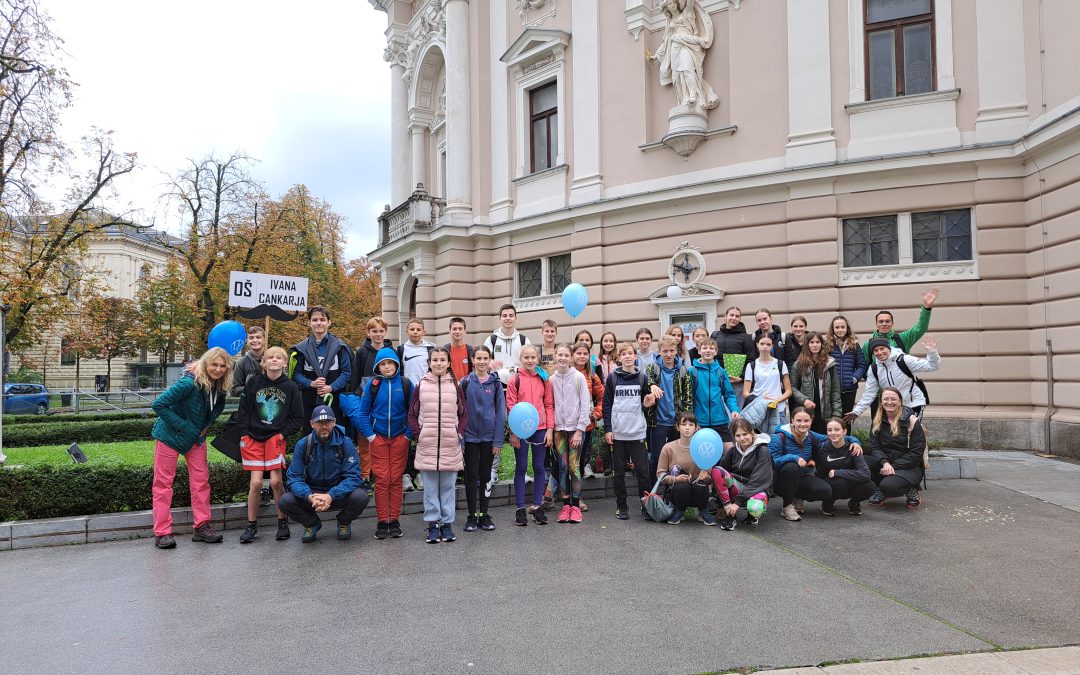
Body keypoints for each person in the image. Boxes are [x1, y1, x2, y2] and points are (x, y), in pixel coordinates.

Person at [150, 347, 232, 549]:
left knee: (201, 482)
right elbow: (159, 405)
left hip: (195, 438)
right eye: (214, 364)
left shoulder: (219, 386)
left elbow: (218, 407)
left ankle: (202, 526)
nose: (218, 369)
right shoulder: (189, 383)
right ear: (206, 363)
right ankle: (162, 532)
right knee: (163, 484)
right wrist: (184, 426)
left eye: (223, 366)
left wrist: (207, 424)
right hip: (170, 436)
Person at [340, 347, 412, 541]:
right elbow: (363, 413)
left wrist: (407, 436)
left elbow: (412, 413)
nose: (387, 366)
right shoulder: (373, 385)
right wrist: (370, 436)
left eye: (390, 363)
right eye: (383, 363)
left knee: (395, 479)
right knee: (381, 480)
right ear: (378, 366)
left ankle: (394, 520)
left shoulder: (406, 384)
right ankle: (382, 521)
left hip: (399, 439)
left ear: (396, 364)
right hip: (378, 438)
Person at [235, 346, 304, 543]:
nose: (274, 360)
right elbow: (244, 411)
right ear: (263, 363)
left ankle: (282, 521)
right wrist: (244, 434)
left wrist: (282, 435)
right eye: (270, 357)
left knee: (276, 482)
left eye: (278, 358)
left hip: (275, 438)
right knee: (256, 483)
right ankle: (251, 525)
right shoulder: (254, 382)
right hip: (253, 438)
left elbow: (297, 418)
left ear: (284, 363)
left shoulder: (291, 387)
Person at [279, 405, 369, 543]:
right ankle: (312, 524)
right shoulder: (303, 445)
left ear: (334, 422)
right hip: (312, 493)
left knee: (361, 497)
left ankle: (343, 522)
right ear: (312, 424)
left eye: (327, 422)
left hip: (337, 492)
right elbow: (294, 477)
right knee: (285, 501)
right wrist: (309, 496)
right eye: (320, 423)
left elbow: (353, 477)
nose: (324, 426)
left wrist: (331, 495)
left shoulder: (346, 443)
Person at [408, 347, 467, 543]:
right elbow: (412, 413)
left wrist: (459, 433)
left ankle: (447, 525)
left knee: (448, 488)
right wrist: (419, 433)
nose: (439, 363)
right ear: (429, 363)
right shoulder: (421, 385)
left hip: (450, 444)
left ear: (449, 363)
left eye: (442, 360)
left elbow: (463, 413)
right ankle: (433, 524)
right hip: (428, 444)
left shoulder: (455, 385)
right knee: (431, 488)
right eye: (435, 360)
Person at [769, 407, 863, 522]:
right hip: (781, 479)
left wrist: (855, 441)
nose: (803, 424)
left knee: (825, 491)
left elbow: (834, 437)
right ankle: (787, 506)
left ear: (811, 421)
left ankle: (797, 496)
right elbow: (772, 460)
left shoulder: (811, 436)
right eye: (799, 421)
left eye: (806, 421)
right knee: (791, 466)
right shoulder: (779, 437)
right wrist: (794, 458)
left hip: (802, 476)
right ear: (792, 421)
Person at [603, 342, 656, 521]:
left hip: (637, 433)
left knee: (642, 471)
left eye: (630, 353)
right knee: (618, 472)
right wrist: (608, 429)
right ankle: (621, 506)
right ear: (619, 357)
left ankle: (646, 505)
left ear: (635, 356)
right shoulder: (612, 378)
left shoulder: (642, 378)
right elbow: (607, 406)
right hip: (618, 433)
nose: (627, 356)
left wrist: (647, 405)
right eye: (623, 354)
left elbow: (646, 404)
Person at [506, 344, 554, 526]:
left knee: (539, 467)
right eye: (526, 357)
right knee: (522, 467)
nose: (530, 361)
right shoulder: (514, 380)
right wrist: (514, 433)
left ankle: (537, 506)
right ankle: (520, 509)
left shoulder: (544, 379)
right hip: (521, 429)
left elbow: (549, 405)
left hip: (540, 428)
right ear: (521, 359)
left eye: (533, 357)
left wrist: (550, 429)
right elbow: (510, 406)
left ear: (537, 359)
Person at [460, 345, 505, 532]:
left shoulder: (495, 383)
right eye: (478, 358)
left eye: (485, 358)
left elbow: (501, 413)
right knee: (471, 477)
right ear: (472, 360)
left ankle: (484, 514)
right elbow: (459, 413)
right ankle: (471, 515)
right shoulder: (464, 382)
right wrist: (461, 440)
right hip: (469, 438)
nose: (482, 362)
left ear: (490, 360)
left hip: (488, 438)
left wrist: (498, 440)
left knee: (486, 476)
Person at [847, 334, 940, 422]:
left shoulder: (904, 359)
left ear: (889, 348)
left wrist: (932, 352)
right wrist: (857, 411)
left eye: (882, 348)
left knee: (910, 431)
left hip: (913, 404)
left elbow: (932, 366)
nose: (879, 352)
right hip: (892, 407)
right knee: (894, 435)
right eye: (876, 350)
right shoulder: (874, 368)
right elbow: (869, 393)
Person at [290, 305, 352, 434]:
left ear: (329, 322)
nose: (319, 323)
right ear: (309, 323)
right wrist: (311, 383)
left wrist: (331, 387)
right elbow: (296, 374)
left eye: (322, 319)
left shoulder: (340, 347)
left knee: (335, 436)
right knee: (310, 437)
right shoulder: (301, 348)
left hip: (334, 401)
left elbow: (346, 373)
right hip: (309, 401)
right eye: (315, 319)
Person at [649, 0, 720, 110]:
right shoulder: (669, 22)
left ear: (677, 3)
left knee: (688, 69)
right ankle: (684, 98)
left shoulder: (686, 13)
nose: (671, 6)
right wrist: (656, 56)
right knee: (676, 75)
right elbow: (666, 41)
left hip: (686, 45)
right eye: (669, 5)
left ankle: (693, 94)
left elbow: (690, 3)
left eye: (672, 3)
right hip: (674, 48)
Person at [549, 344, 591, 523]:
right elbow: (549, 405)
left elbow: (585, 404)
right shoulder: (551, 380)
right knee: (563, 467)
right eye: (560, 354)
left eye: (566, 355)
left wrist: (580, 430)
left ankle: (575, 506)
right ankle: (565, 506)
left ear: (571, 357)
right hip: (559, 430)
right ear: (555, 356)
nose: (563, 358)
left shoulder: (578, 377)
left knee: (574, 468)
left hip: (575, 430)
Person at [349, 316, 393, 482]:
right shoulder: (362, 352)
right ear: (368, 333)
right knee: (365, 438)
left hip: (386, 400)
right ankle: (365, 475)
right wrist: (355, 396)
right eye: (374, 331)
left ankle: (381, 474)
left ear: (385, 332)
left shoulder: (391, 351)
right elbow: (356, 376)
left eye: (381, 331)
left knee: (383, 438)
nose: (378, 334)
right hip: (365, 398)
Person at [866, 388, 927, 509]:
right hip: (887, 462)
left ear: (900, 401)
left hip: (909, 466)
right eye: (886, 399)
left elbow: (916, 453)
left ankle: (911, 489)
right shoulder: (878, 419)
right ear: (881, 401)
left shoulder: (912, 421)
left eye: (893, 399)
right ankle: (880, 488)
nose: (889, 402)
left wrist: (893, 466)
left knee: (889, 486)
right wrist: (885, 463)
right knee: (862, 462)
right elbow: (875, 447)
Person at [645, 336, 693, 478]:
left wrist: (686, 421)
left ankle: (672, 491)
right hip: (658, 422)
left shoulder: (683, 370)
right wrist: (652, 385)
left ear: (676, 351)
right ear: (659, 351)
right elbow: (648, 381)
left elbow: (688, 398)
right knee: (656, 458)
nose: (668, 354)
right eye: (664, 351)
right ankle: (652, 492)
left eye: (671, 351)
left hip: (677, 422)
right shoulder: (652, 368)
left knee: (675, 459)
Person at [655, 412, 716, 526]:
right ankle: (679, 511)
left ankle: (703, 511)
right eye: (683, 424)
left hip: (699, 492)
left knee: (701, 485)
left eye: (691, 424)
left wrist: (706, 477)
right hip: (678, 492)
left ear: (696, 427)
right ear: (678, 427)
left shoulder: (704, 448)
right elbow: (660, 475)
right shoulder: (668, 447)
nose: (687, 428)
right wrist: (675, 479)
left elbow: (710, 480)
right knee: (682, 486)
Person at [714, 418, 773, 529]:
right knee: (716, 470)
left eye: (745, 434)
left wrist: (737, 503)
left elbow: (758, 480)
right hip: (738, 487)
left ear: (752, 433)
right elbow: (720, 476)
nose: (742, 438)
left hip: (757, 488)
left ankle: (752, 515)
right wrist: (722, 505)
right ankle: (730, 514)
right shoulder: (732, 451)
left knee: (755, 508)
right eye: (738, 435)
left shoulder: (762, 451)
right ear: (734, 437)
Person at [814, 417, 876, 516]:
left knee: (869, 486)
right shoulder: (821, 447)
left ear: (844, 431)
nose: (833, 433)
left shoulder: (854, 447)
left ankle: (854, 503)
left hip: (848, 479)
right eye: (829, 430)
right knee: (840, 483)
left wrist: (837, 472)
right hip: (829, 482)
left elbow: (865, 473)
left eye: (837, 429)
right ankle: (827, 503)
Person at [862, 288, 939, 362]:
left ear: (892, 324)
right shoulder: (868, 345)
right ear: (876, 324)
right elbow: (864, 368)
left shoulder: (902, 339)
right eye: (881, 321)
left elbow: (920, 328)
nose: (884, 324)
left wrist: (927, 309)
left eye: (887, 321)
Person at [690, 337, 740, 449]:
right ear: (699, 351)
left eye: (711, 348)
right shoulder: (692, 371)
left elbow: (729, 394)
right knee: (704, 451)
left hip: (720, 420)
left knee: (729, 449)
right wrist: (692, 419)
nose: (708, 350)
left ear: (716, 352)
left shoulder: (721, 372)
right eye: (704, 348)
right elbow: (689, 397)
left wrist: (734, 409)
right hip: (700, 420)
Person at [790, 332, 842, 434]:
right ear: (807, 345)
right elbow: (792, 387)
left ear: (822, 344)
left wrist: (836, 414)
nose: (815, 345)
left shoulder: (830, 363)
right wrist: (804, 400)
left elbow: (835, 391)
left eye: (818, 342)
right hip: (806, 410)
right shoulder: (799, 364)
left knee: (823, 439)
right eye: (812, 342)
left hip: (825, 411)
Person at [572, 341, 605, 498]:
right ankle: (562, 496)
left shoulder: (593, 375)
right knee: (566, 462)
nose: (582, 356)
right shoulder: (566, 372)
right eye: (578, 353)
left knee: (579, 461)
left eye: (585, 353)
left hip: (586, 426)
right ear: (573, 355)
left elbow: (603, 398)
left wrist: (597, 413)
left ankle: (577, 498)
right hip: (567, 426)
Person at [742, 333, 792, 433]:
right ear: (757, 344)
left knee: (780, 439)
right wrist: (760, 400)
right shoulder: (751, 365)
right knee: (760, 439)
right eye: (762, 343)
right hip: (759, 410)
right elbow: (745, 392)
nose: (765, 346)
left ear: (772, 345)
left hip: (779, 408)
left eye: (768, 344)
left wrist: (777, 400)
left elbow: (788, 391)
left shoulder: (780, 364)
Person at [826, 315, 867, 422]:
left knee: (846, 419)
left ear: (847, 328)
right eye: (837, 327)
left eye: (842, 327)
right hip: (832, 390)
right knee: (833, 419)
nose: (840, 330)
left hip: (849, 390)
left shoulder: (854, 345)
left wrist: (853, 378)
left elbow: (861, 365)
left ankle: (846, 438)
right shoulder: (828, 345)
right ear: (833, 329)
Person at [711, 306, 755, 402]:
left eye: (737, 316)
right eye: (731, 315)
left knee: (735, 414)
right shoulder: (715, 335)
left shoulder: (746, 337)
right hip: (716, 381)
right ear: (725, 317)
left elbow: (751, 361)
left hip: (736, 384)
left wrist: (742, 378)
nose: (734, 318)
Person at [486, 303, 531, 381]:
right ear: (499, 318)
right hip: (496, 383)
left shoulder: (524, 340)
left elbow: (530, 362)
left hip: (519, 383)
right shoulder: (491, 340)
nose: (508, 318)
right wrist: (490, 363)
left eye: (511, 315)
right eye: (504, 316)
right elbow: (484, 361)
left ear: (515, 318)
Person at [397, 317, 435, 386]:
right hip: (407, 389)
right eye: (412, 329)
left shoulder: (431, 349)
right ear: (406, 332)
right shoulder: (400, 349)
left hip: (426, 388)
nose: (415, 332)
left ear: (423, 332)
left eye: (418, 330)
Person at [229, 325, 265, 396]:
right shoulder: (241, 363)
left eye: (258, 337)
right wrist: (253, 387)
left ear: (264, 339)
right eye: (251, 338)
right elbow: (234, 390)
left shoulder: (272, 360)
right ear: (247, 341)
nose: (255, 340)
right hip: (248, 404)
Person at [444, 316, 474, 382]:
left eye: (460, 329)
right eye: (454, 329)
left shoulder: (471, 350)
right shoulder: (444, 351)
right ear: (449, 331)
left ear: (465, 331)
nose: (457, 331)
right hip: (449, 387)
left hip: (466, 387)